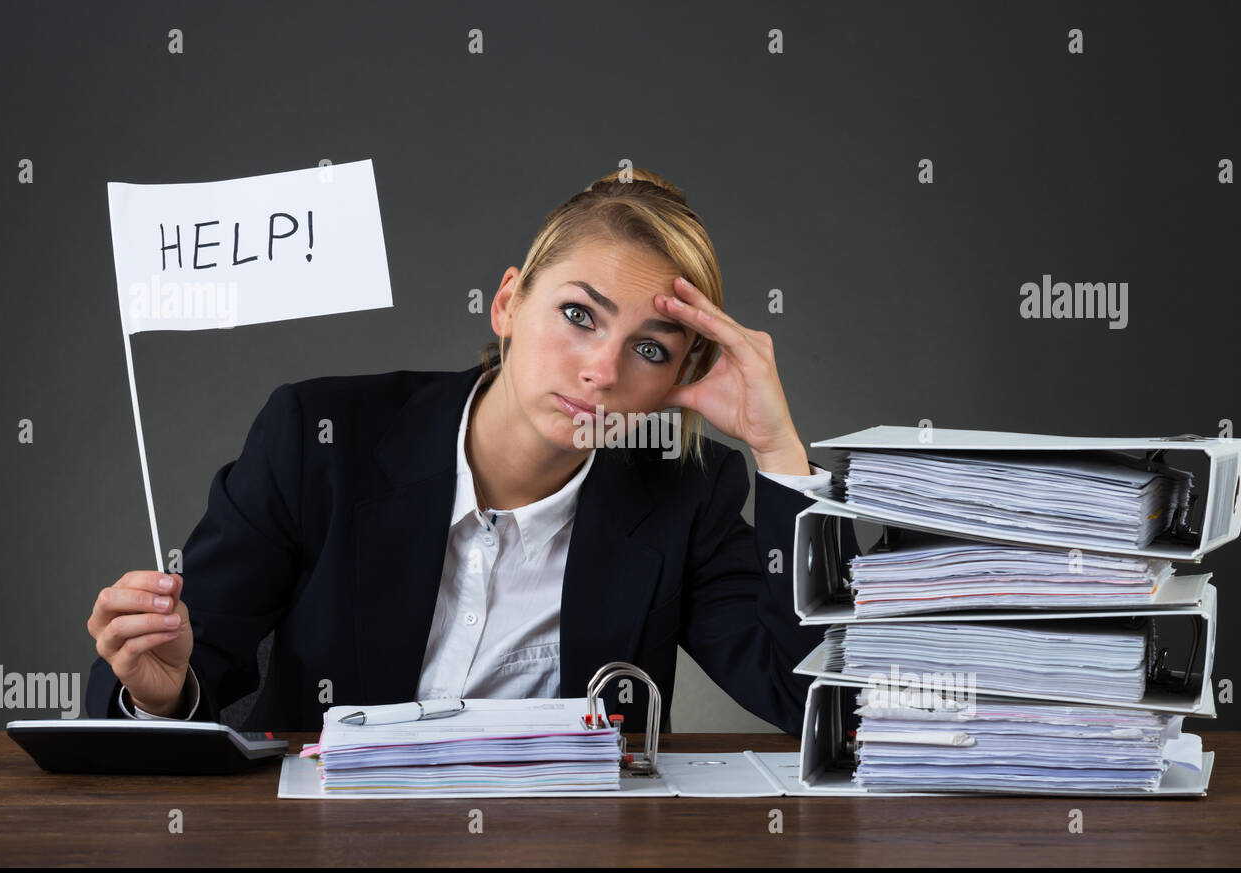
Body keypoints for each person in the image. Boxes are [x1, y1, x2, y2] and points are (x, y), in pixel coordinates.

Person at [85, 168, 857, 734]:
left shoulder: (684, 496)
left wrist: (777, 447)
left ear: (676, 381)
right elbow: (168, 683)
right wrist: (158, 694)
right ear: (508, 301)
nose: (602, 370)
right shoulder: (317, 438)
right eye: (580, 315)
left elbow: (821, 702)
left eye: (651, 351)